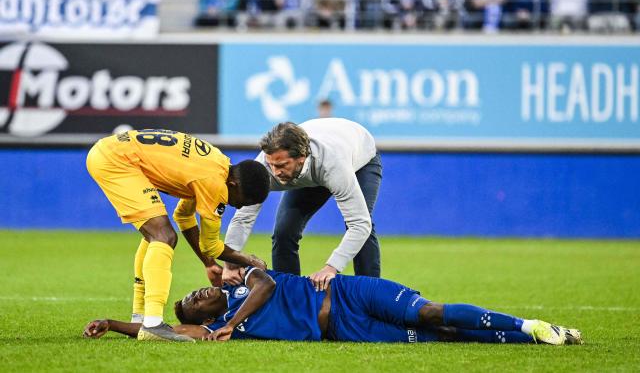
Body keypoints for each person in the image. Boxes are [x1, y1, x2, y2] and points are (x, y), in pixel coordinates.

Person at [85, 129, 271, 342]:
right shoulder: (215, 185)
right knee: (163, 236)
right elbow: (211, 245)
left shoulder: (218, 164)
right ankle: (153, 324)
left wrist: (208, 264)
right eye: (242, 201)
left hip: (114, 151)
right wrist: (248, 259)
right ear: (233, 185)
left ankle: (141, 317)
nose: (237, 206)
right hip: (117, 160)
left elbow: (183, 216)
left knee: (155, 235)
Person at [84, 267, 584, 346]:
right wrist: (112, 323)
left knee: (429, 312)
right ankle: (539, 336)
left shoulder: (244, 283)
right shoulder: (209, 327)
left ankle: (528, 322)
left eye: (198, 289)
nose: (201, 291)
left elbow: (266, 285)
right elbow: (164, 333)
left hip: (346, 293)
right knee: (441, 338)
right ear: (201, 316)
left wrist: (234, 321)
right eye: (196, 300)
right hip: (344, 330)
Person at [223, 119, 382, 291]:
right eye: (272, 165)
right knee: (283, 232)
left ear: (301, 157)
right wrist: (231, 261)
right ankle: (290, 300)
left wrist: (331, 268)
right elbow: (243, 217)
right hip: (314, 168)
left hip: (360, 159)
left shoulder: (333, 164)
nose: (275, 173)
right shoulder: (264, 167)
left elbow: (359, 225)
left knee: (361, 225)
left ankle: (370, 297)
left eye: (282, 165)